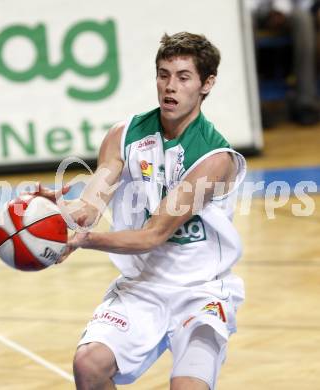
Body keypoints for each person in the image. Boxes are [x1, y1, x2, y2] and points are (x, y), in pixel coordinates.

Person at [34, 32, 246, 390]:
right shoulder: (124, 135)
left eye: (183, 77)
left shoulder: (215, 159)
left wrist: (84, 240)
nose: (170, 86)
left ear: (206, 84)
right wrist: (56, 211)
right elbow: (90, 206)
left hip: (200, 291)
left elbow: (153, 234)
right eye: (163, 74)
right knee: (88, 365)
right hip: (142, 287)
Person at [250, 0, 320, 125]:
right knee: (243, 23)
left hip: (288, 9)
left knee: (304, 19)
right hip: (255, 10)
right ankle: (253, 106)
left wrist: (280, 10)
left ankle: (305, 103)